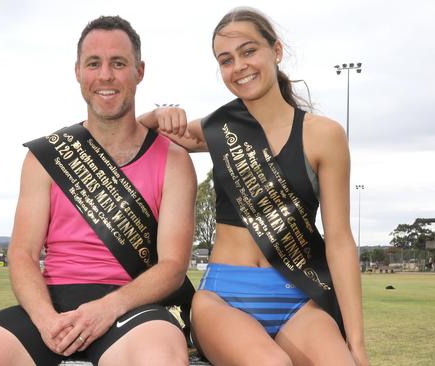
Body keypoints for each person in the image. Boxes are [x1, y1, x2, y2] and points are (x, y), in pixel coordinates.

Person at [0, 15, 196, 366]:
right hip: (50, 307)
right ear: (78, 71)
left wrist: (107, 308)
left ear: (139, 71)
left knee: (161, 358)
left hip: (132, 311)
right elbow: (22, 253)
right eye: (94, 63)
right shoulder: (45, 157)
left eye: (118, 63)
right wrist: (45, 320)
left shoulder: (174, 161)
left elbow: (172, 265)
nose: (105, 75)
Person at [140, 7, 368, 366]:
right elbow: (130, 141)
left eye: (249, 51)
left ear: (275, 51)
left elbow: (339, 239)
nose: (239, 66)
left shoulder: (325, 135)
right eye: (226, 60)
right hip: (224, 299)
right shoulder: (218, 128)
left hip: (298, 298)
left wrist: (356, 344)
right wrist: (154, 116)